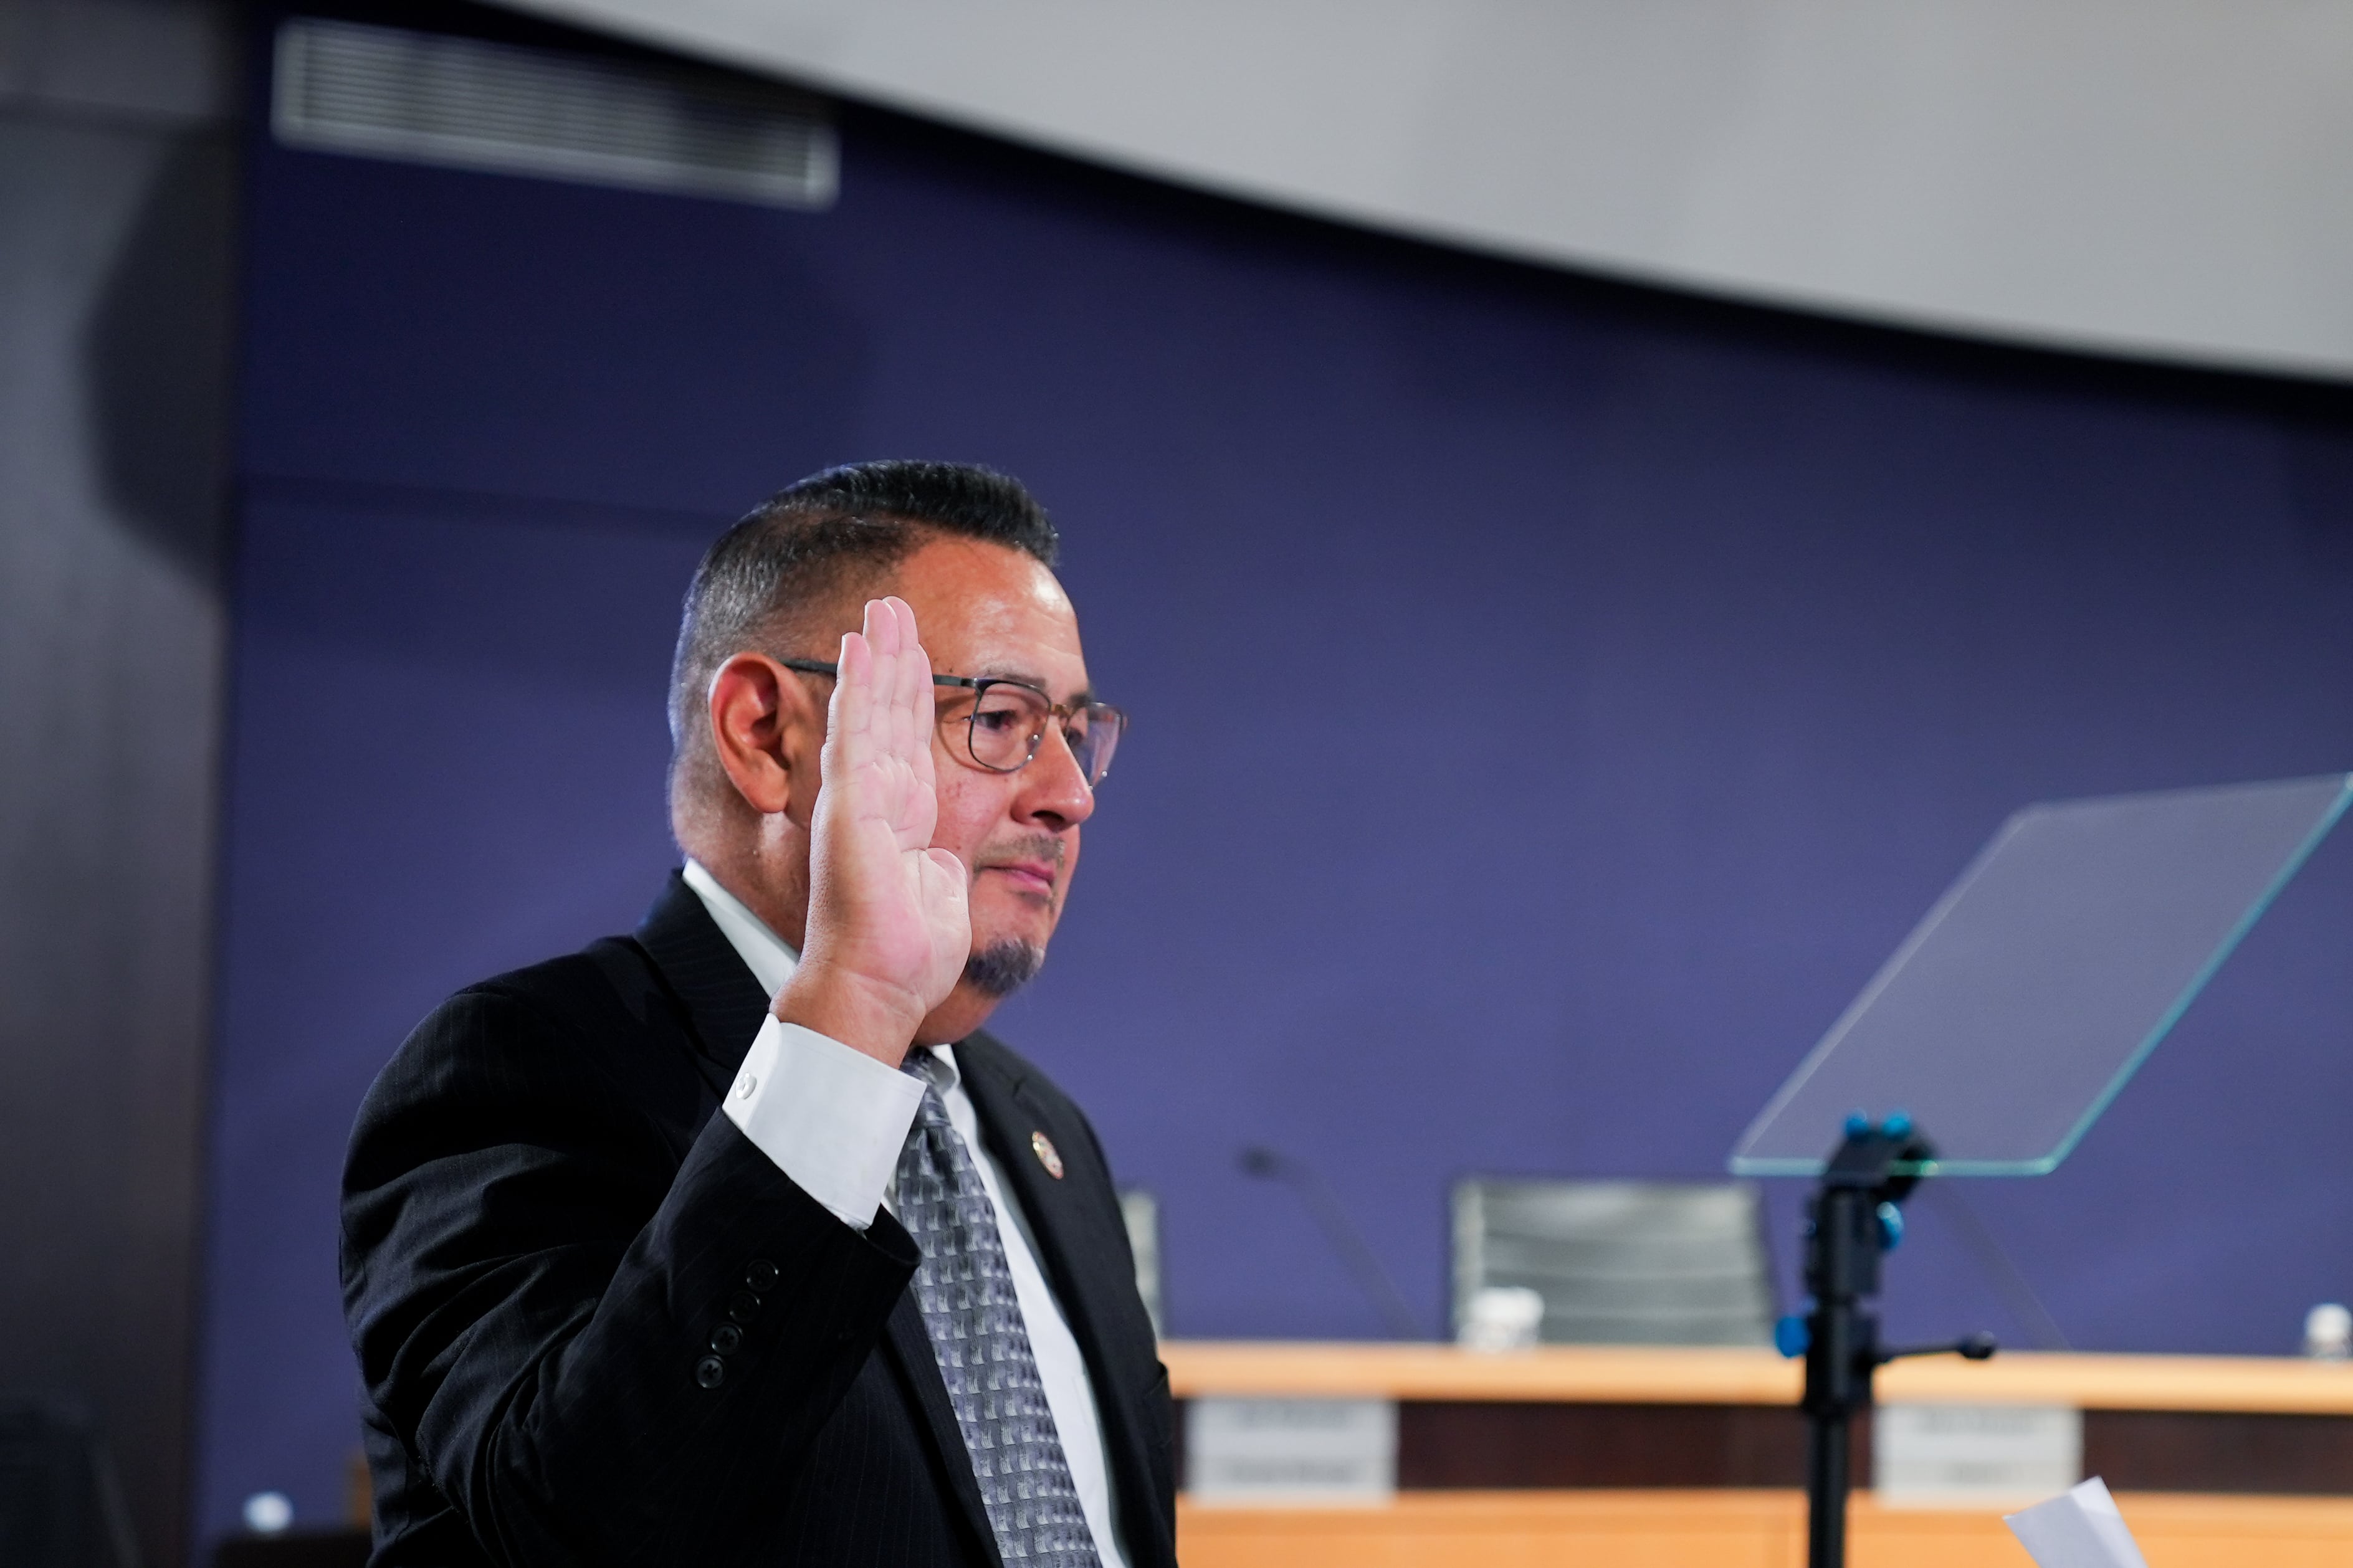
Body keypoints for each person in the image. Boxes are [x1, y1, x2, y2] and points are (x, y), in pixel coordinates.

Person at [340, 462, 1173, 1567]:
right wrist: (855, 1010)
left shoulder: (1048, 1131)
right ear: (767, 735)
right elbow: (582, 1525)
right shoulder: (520, 1069)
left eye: (1076, 729)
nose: (1071, 792)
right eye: (1003, 717)